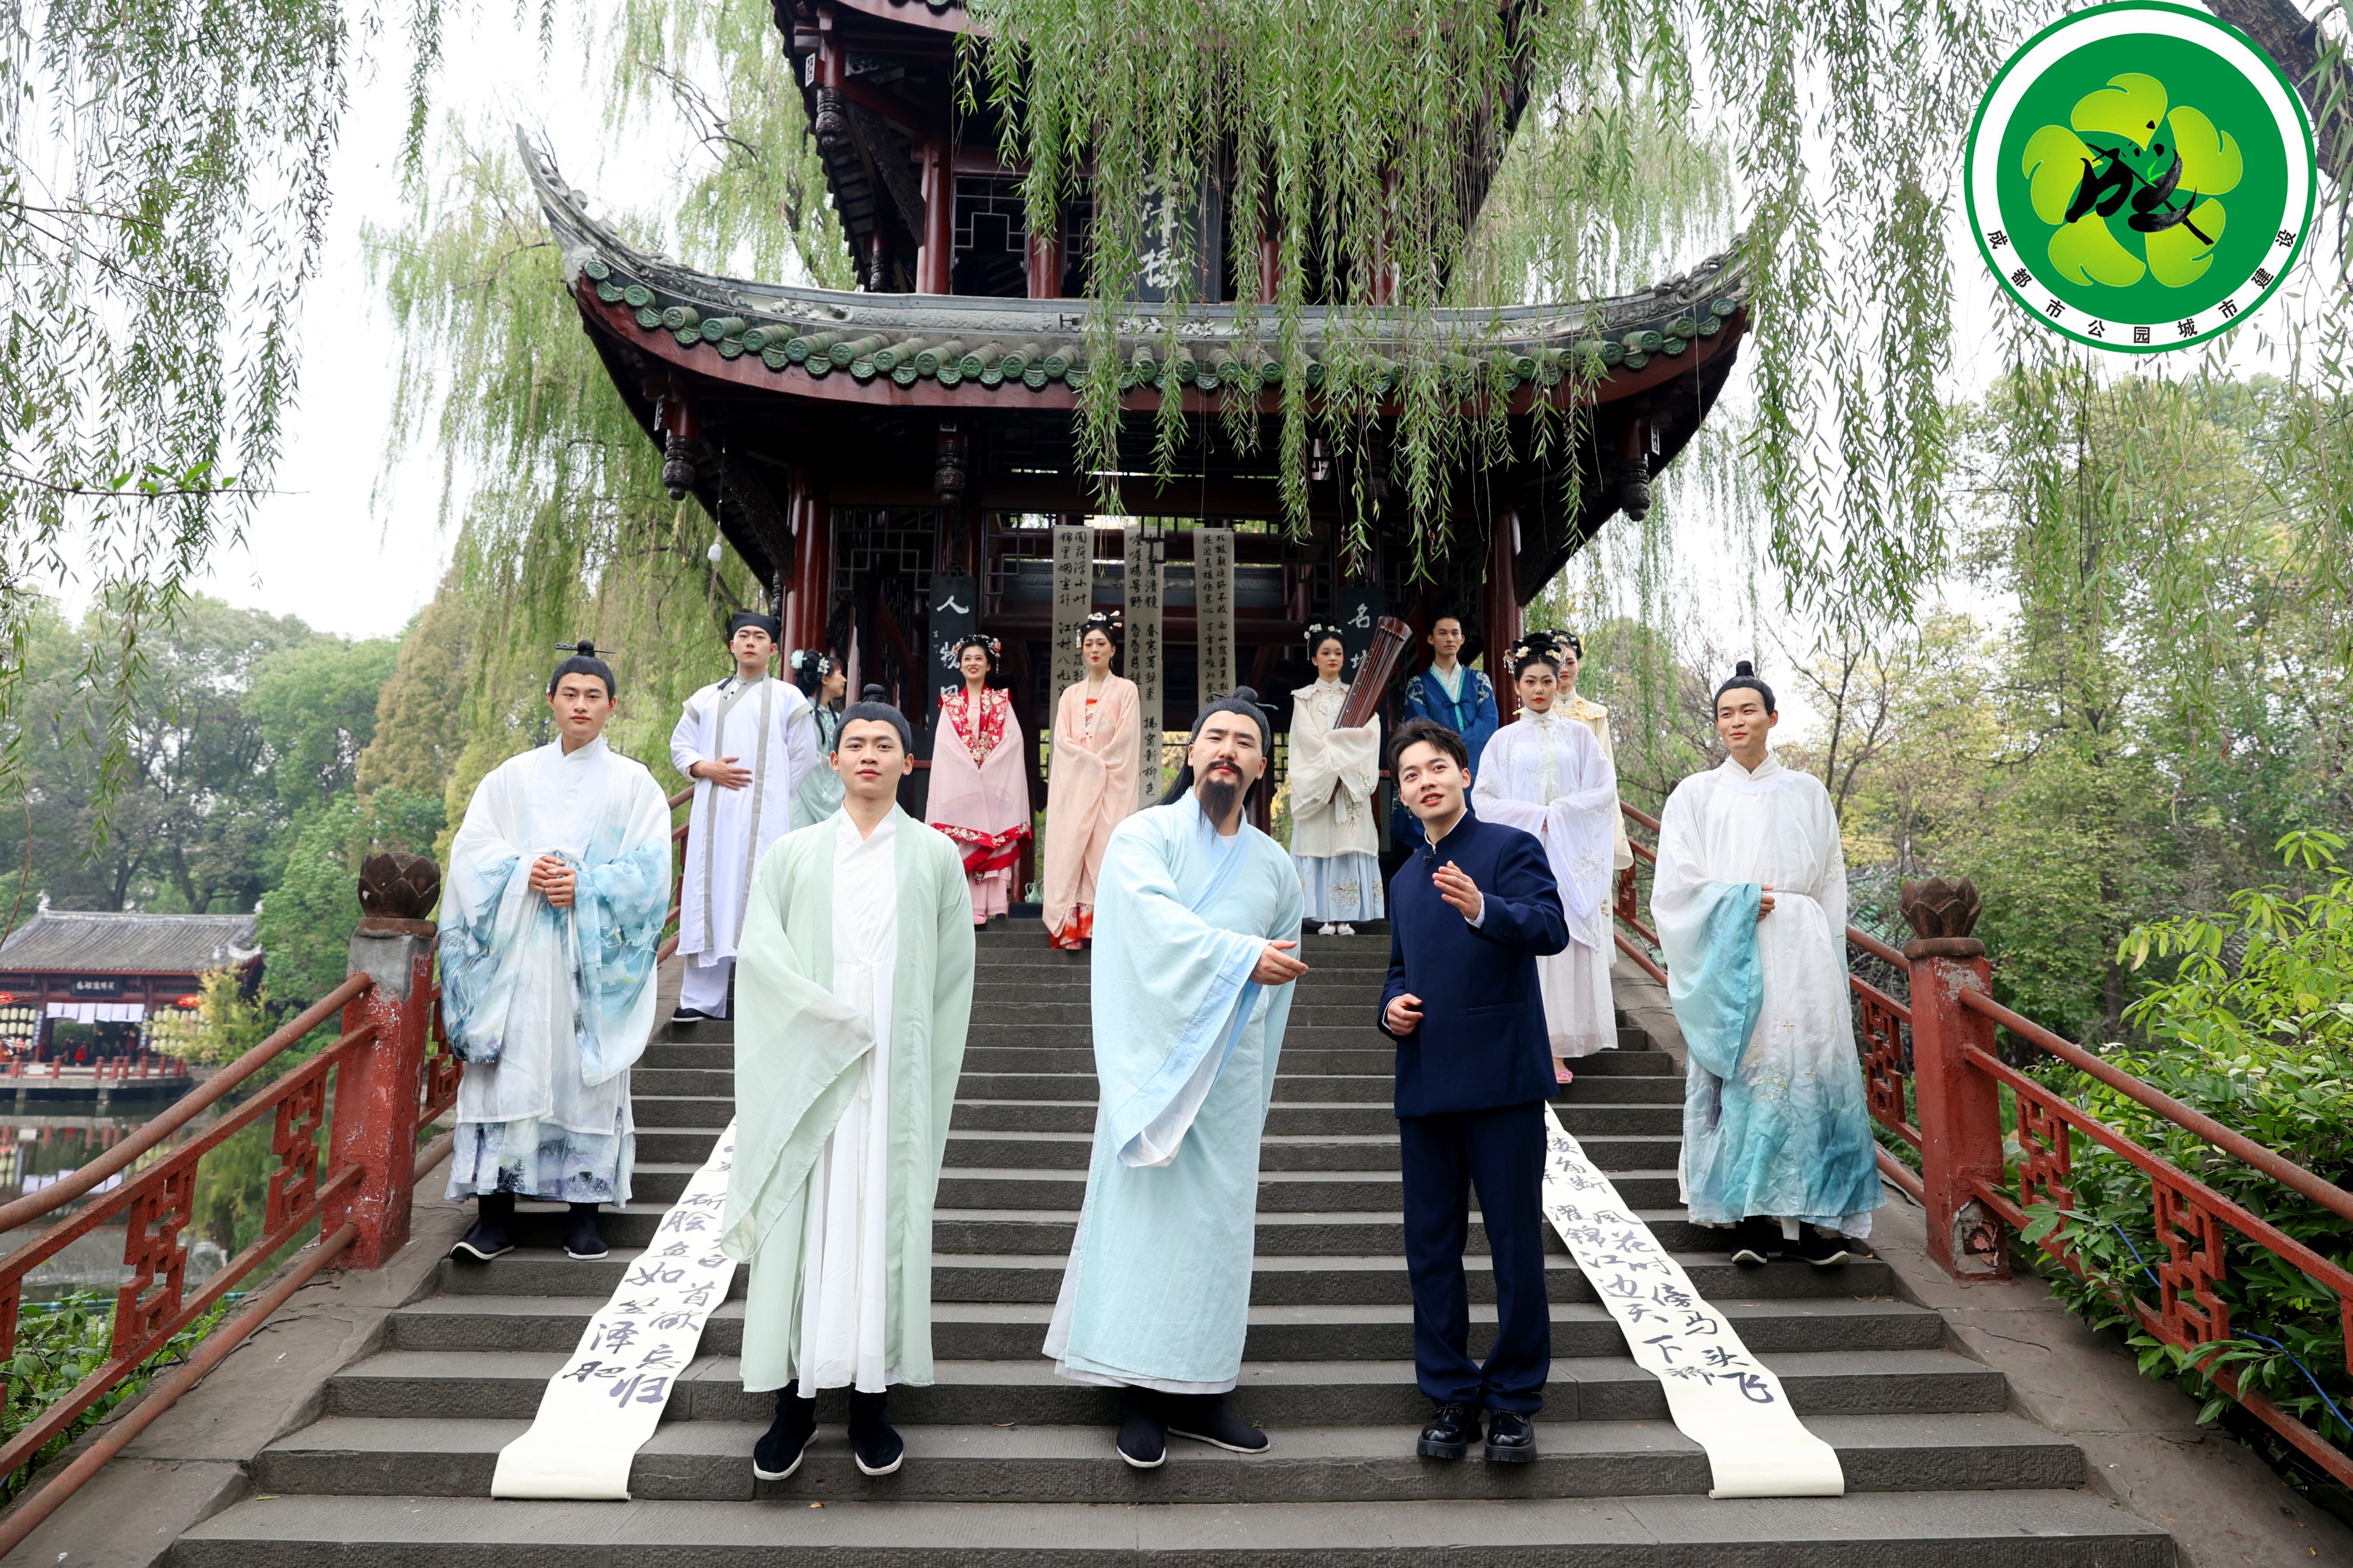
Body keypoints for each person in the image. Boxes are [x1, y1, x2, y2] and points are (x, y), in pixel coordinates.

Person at [1044, 688, 1308, 1469]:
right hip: (1154, 1063)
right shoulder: (1143, 836)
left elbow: (1279, 981)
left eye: (1245, 741)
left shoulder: (1276, 866)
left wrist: (1254, 1067)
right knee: (1146, 1225)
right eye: (1214, 736)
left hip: (1230, 1072)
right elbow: (1147, 926)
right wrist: (1238, 956)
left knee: (1215, 1231)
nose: (1227, 749)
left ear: (1262, 766)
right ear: (1189, 753)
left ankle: (1203, 1387)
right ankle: (1137, 1392)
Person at [722, 687, 978, 1482]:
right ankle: (792, 1405)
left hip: (893, 1070)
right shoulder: (793, 854)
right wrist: (828, 1025)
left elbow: (950, 983)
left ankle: (872, 1399)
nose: (869, 754)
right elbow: (761, 959)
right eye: (857, 743)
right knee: (805, 1220)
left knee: (877, 1221)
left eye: (885, 744)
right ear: (833, 760)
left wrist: (918, 1063)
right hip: (814, 1069)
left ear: (909, 762)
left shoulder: (935, 856)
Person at [439, 642, 672, 1263]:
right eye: (570, 693)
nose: (581, 705)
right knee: (505, 1073)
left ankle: (584, 1216)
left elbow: (652, 869)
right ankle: (494, 1217)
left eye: (594, 695)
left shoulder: (635, 784)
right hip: (514, 958)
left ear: (612, 706)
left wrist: (586, 885)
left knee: (582, 1076)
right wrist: (523, 870)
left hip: (587, 961)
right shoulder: (510, 777)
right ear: (551, 700)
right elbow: (472, 850)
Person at [1378, 718, 1566, 1465]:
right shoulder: (1403, 878)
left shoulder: (1509, 848)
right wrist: (1389, 1009)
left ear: (1463, 774)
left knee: (1515, 1242)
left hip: (1501, 1077)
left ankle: (1514, 1397)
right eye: (1410, 774)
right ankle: (1450, 1392)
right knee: (1431, 1246)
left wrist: (1483, 907)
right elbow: (1398, 969)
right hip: (1425, 1078)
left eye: (1437, 767)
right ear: (1400, 794)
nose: (1425, 781)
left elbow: (1549, 927)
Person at [1652, 660, 1882, 1267]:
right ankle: (1748, 1218)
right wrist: (1738, 901)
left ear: (1772, 718)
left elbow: (1830, 881)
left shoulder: (1807, 791)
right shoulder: (1695, 794)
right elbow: (1674, 885)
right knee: (1749, 1070)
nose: (1736, 721)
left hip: (1802, 947)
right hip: (1734, 950)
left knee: (1808, 1070)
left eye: (1747, 710)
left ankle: (1813, 1221)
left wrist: (1829, 953)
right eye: (1725, 713)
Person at [1470, 633, 1619, 1085]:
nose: (1539, 689)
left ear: (1560, 682)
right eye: (1530, 681)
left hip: (1569, 853)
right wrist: (1538, 817)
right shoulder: (1503, 741)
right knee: (1523, 938)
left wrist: (1561, 815)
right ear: (1516, 685)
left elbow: (1603, 790)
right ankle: (1519, 1042)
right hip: (1523, 851)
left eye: (1547, 681)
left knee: (1563, 943)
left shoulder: (1580, 736)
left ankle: (1556, 1048)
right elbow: (1484, 799)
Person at [669, 612, 820, 1024]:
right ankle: (701, 1000)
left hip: (764, 819)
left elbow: (805, 756)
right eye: (743, 636)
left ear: (774, 649)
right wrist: (705, 768)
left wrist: (771, 792)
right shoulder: (704, 698)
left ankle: (764, 1000)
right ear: (732, 646)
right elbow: (681, 746)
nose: (751, 642)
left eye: (759, 637)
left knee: (761, 896)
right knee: (709, 893)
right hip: (713, 815)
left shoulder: (788, 698)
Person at [1041, 611, 1142, 949]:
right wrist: (1087, 765)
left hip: (1110, 786)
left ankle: (1101, 929)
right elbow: (1062, 742)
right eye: (1089, 644)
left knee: (1103, 847)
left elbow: (1126, 740)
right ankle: (1071, 929)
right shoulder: (1069, 695)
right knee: (1073, 847)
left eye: (1101, 643)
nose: (1095, 649)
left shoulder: (1126, 691)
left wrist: (1096, 765)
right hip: (1075, 787)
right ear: (1081, 649)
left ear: (1114, 649)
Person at [927, 634, 1030, 925]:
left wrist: (988, 768)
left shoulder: (1001, 701)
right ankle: (965, 906)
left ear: (989, 665)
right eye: (967, 659)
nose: (973, 663)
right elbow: (945, 747)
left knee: (992, 839)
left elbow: (1013, 742)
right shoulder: (950, 705)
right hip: (963, 789)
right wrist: (970, 771)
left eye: (979, 659)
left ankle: (993, 904)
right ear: (960, 665)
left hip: (994, 785)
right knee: (966, 843)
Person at [1288, 624, 1382, 935]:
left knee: (1347, 843)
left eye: (1338, 653)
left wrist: (1342, 763)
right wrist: (1335, 761)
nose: (1333, 658)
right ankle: (1324, 916)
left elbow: (1369, 734)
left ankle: (1345, 916)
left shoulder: (1358, 698)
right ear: (1313, 658)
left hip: (1348, 785)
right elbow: (1305, 741)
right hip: (1319, 786)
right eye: (1325, 652)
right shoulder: (1303, 698)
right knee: (1318, 842)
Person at [1387, 615, 1501, 852]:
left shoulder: (1479, 681)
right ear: (1430, 639)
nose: (1450, 638)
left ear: (1462, 639)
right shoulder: (1418, 685)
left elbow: (1489, 722)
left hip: (1475, 768)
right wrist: (1447, 755)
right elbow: (1421, 729)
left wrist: (1455, 752)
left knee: (1480, 842)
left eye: (1455, 633)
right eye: (1442, 633)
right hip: (1435, 768)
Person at [1553, 632, 1633, 875]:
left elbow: (1606, 766)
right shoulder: (1531, 713)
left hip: (1588, 805)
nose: (1564, 669)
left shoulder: (1595, 714)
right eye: (1557, 662)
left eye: (1570, 662)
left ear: (1578, 665)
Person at [788, 649, 851, 830]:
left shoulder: (838, 718)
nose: (845, 680)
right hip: (804, 794)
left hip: (830, 787)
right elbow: (801, 757)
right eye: (840, 673)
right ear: (824, 679)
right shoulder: (801, 714)